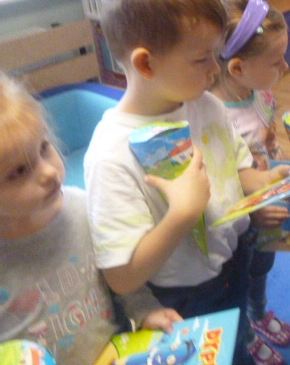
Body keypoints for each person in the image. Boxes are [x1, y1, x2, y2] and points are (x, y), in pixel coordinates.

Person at [84, 0, 290, 365]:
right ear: (146, 63)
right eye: (202, 58)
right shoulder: (111, 155)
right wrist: (182, 213)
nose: (216, 69)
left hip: (233, 258)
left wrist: (262, 185)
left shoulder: (207, 105)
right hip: (181, 297)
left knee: (236, 341)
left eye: (216, 54)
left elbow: (237, 168)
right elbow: (121, 277)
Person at [0, 73, 180, 365]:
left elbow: (117, 273)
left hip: (116, 353)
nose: (48, 172)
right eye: (19, 171)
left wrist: (145, 310)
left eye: (44, 147)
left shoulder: (84, 207)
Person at [212, 0, 290, 365]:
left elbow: (266, 139)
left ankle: (258, 314)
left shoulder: (261, 93)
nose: (285, 67)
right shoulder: (215, 118)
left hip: (267, 208)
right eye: (276, 61)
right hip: (239, 225)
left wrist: (272, 145)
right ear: (238, 69)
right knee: (238, 281)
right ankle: (244, 334)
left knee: (262, 269)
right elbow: (218, 187)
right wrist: (252, 208)